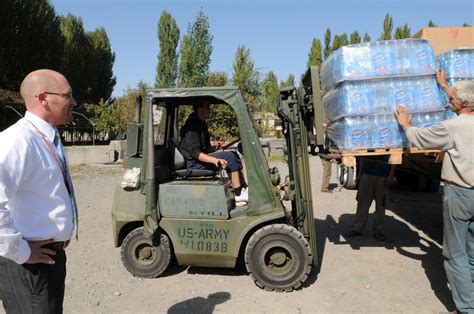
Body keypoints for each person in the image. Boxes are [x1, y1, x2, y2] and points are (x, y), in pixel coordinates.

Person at [395, 69, 474, 313]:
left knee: (454, 253)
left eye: (452, 99)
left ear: (462, 103)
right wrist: (444, 86)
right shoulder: (467, 116)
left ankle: (467, 308)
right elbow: (462, 99)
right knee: (472, 251)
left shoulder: (453, 127)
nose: (449, 101)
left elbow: (421, 138)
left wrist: (406, 126)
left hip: (460, 195)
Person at [0, 69, 78, 313]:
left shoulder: (48, 136)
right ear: (43, 97)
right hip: (30, 264)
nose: (74, 102)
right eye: (68, 95)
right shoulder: (18, 141)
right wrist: (21, 252)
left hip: (47, 258)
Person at [179, 102, 248, 205]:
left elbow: (205, 148)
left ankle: (243, 188)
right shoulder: (191, 127)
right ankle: (238, 195)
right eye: (207, 107)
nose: (210, 110)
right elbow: (195, 153)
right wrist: (216, 160)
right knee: (229, 157)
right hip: (192, 163)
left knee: (233, 154)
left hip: (198, 160)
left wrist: (216, 146)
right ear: (199, 109)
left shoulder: (201, 124)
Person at [345, 157, 395, 241]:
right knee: (362, 203)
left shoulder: (390, 143)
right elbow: (362, 157)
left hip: (383, 175)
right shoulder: (368, 143)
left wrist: (390, 175)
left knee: (380, 206)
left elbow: (395, 158)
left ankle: (379, 231)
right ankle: (357, 228)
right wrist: (360, 174)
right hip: (367, 174)